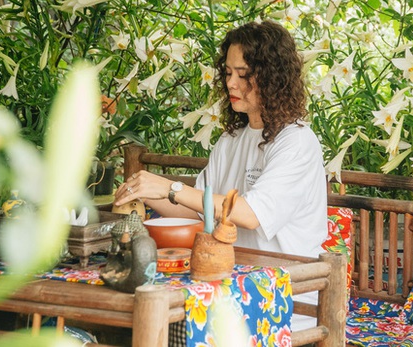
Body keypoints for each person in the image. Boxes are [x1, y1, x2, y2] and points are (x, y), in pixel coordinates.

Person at [113, 20, 328, 331]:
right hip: (229, 286)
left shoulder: (296, 141)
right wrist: (147, 190)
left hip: (285, 298)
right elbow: (195, 207)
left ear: (272, 78)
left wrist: (170, 187)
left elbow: (252, 214)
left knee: (163, 321)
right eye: (228, 73)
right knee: (143, 316)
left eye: (244, 75)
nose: (231, 83)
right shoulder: (231, 140)